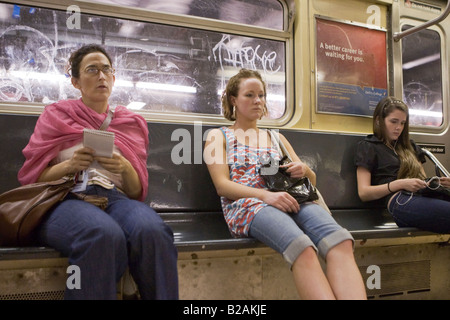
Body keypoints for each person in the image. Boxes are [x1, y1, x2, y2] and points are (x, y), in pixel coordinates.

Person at [18, 44, 178, 300]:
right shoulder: (55, 116)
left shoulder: (130, 123)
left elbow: (137, 191)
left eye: (106, 70)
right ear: (76, 81)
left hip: (114, 198)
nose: (101, 76)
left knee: (153, 231)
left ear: (113, 78)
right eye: (92, 70)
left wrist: (125, 168)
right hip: (64, 199)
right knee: (101, 234)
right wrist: (69, 166)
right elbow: (32, 179)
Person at [204, 68, 366, 300]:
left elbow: (309, 183)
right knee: (303, 248)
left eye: (261, 95)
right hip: (248, 204)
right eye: (249, 95)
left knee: (340, 240)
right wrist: (266, 197)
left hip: (289, 198)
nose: (257, 101)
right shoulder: (217, 137)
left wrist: (305, 170)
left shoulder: (276, 138)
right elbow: (222, 186)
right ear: (233, 100)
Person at [355, 96, 450, 234]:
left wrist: (438, 184)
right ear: (378, 121)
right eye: (393, 122)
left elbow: (422, 180)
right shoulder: (368, 147)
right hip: (399, 201)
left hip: (421, 196)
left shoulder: (409, 146)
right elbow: (364, 193)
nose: (398, 127)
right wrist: (399, 184)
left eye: (402, 123)